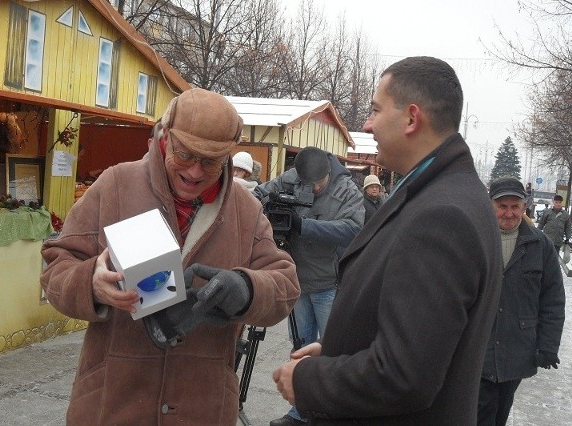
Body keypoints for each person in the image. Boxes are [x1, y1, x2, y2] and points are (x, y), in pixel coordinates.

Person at [40, 88, 300, 425]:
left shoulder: (245, 210)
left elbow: (286, 284)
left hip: (201, 408)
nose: (194, 172)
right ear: (165, 136)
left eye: (210, 161)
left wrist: (248, 288)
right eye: (186, 154)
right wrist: (90, 282)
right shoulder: (116, 185)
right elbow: (57, 266)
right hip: (112, 404)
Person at [272, 56, 504, 425]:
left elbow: (404, 375)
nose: (367, 124)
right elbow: (417, 333)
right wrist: (337, 351)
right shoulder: (441, 194)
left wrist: (309, 379)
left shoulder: (442, 216)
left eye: (375, 110)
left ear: (412, 118)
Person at [254, 146, 364, 426]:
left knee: (331, 350)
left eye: (318, 184)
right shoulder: (293, 176)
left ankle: (333, 412)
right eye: (307, 183)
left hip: (328, 283)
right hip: (299, 281)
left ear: (328, 173)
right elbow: (258, 195)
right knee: (301, 347)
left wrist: (304, 226)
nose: (312, 189)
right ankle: (300, 412)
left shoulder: (346, 190)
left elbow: (353, 229)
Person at [478, 176, 565, 426]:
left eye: (515, 206)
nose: (509, 213)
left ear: (524, 206)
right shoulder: (475, 239)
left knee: (500, 412)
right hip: (478, 348)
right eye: (502, 206)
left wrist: (548, 346)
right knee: (479, 413)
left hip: (517, 348)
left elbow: (553, 301)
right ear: (490, 206)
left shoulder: (541, 246)